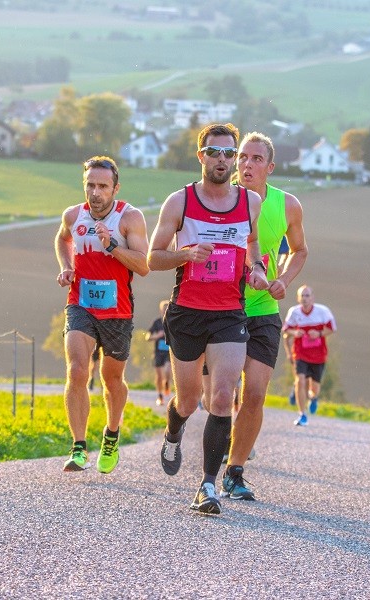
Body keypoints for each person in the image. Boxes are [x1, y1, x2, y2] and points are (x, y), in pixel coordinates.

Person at [147, 122, 268, 515]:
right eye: (214, 153)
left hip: (229, 314)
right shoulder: (179, 202)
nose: (223, 160)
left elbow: (251, 245)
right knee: (188, 399)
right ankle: (174, 429)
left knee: (221, 396)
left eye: (229, 154)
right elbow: (152, 258)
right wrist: (185, 255)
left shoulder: (249, 202)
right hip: (187, 313)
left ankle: (207, 486)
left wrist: (256, 271)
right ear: (201, 156)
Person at [221, 131, 308, 500]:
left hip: (263, 310)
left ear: (270, 167)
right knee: (219, 395)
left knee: (254, 393)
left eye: (256, 159)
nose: (247, 164)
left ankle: (234, 471)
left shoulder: (288, 205)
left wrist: (283, 280)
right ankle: (213, 439)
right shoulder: (217, 198)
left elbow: (300, 250)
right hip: (221, 307)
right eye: (243, 157)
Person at [55, 155, 150, 474]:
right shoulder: (72, 214)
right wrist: (67, 267)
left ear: (115, 188)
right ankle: (78, 446)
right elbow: (62, 238)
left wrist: (112, 247)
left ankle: (111, 434)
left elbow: (143, 265)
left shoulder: (130, 218)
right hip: (80, 304)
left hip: (118, 311)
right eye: (90, 185)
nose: (95, 193)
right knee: (78, 370)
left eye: (102, 186)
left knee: (112, 379)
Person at [283, 285, 336, 426]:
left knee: (314, 389)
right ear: (298, 298)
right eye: (302, 296)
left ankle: (314, 398)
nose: (305, 299)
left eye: (307, 295)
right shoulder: (294, 312)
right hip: (300, 352)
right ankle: (302, 414)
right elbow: (285, 331)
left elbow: (332, 328)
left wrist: (318, 333)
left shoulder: (322, 311)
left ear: (313, 297)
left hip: (318, 355)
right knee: (300, 380)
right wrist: (295, 333)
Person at [146, 299, 171, 406]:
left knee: (167, 370)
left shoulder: (172, 321)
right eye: (164, 309)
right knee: (159, 376)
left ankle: (167, 384)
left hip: (169, 352)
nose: (166, 310)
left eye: (167, 309)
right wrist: (157, 336)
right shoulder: (156, 322)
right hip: (158, 352)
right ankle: (160, 396)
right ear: (161, 310)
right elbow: (147, 337)